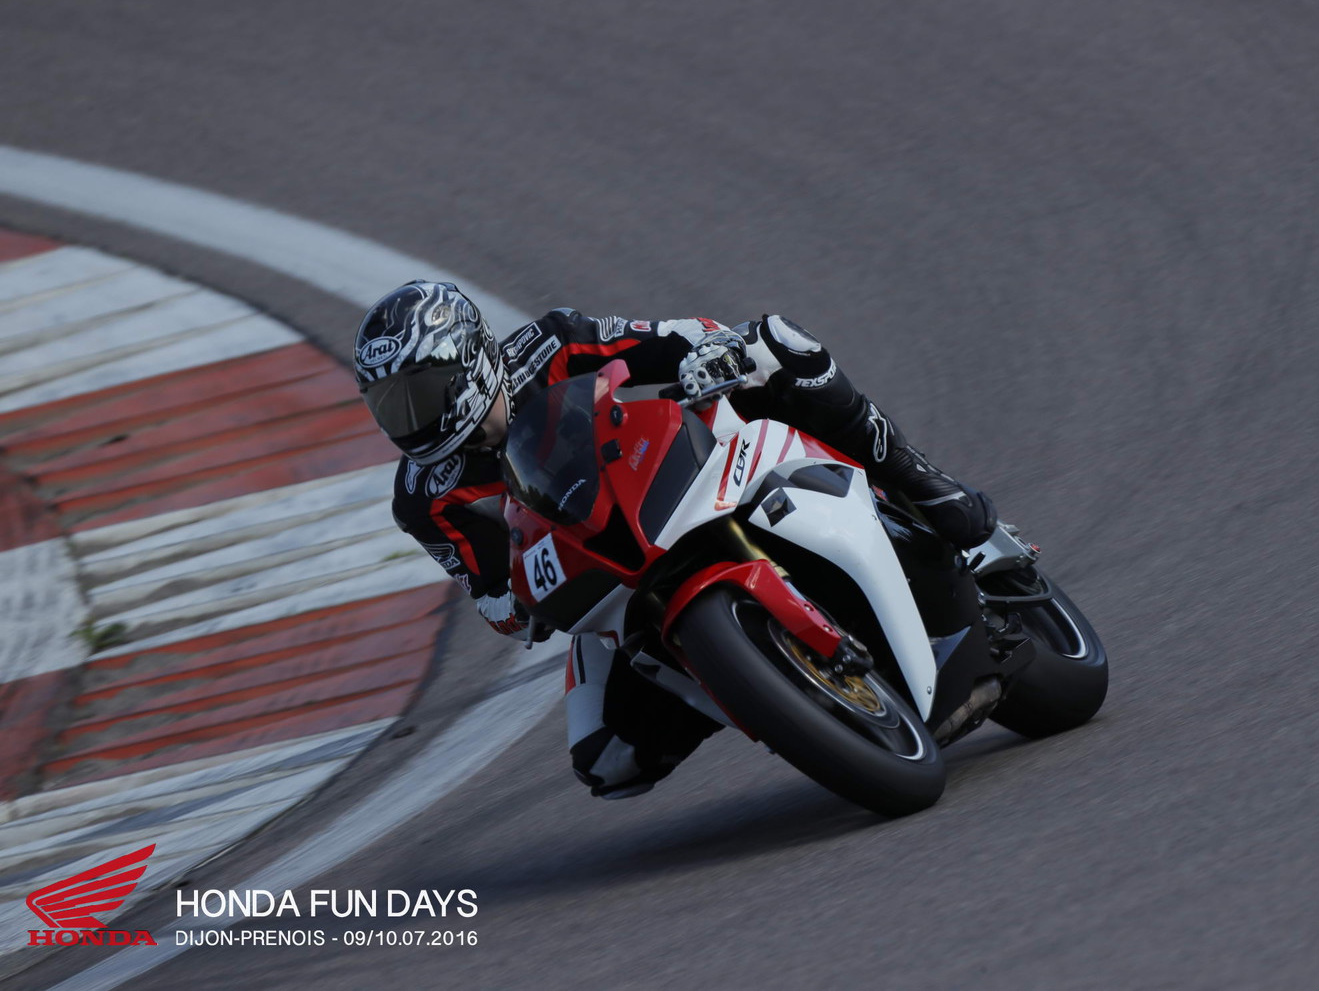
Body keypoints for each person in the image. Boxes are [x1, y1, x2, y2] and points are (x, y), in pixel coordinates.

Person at [354, 280, 996, 798]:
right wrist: (518, 602)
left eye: (419, 394)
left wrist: (704, 355)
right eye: (390, 405)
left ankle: (918, 478)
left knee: (773, 343)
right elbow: (492, 595)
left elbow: (681, 337)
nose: (408, 420)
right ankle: (762, 687)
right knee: (607, 758)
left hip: (679, 466)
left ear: (467, 362)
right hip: (605, 567)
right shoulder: (423, 499)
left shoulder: (551, 343)